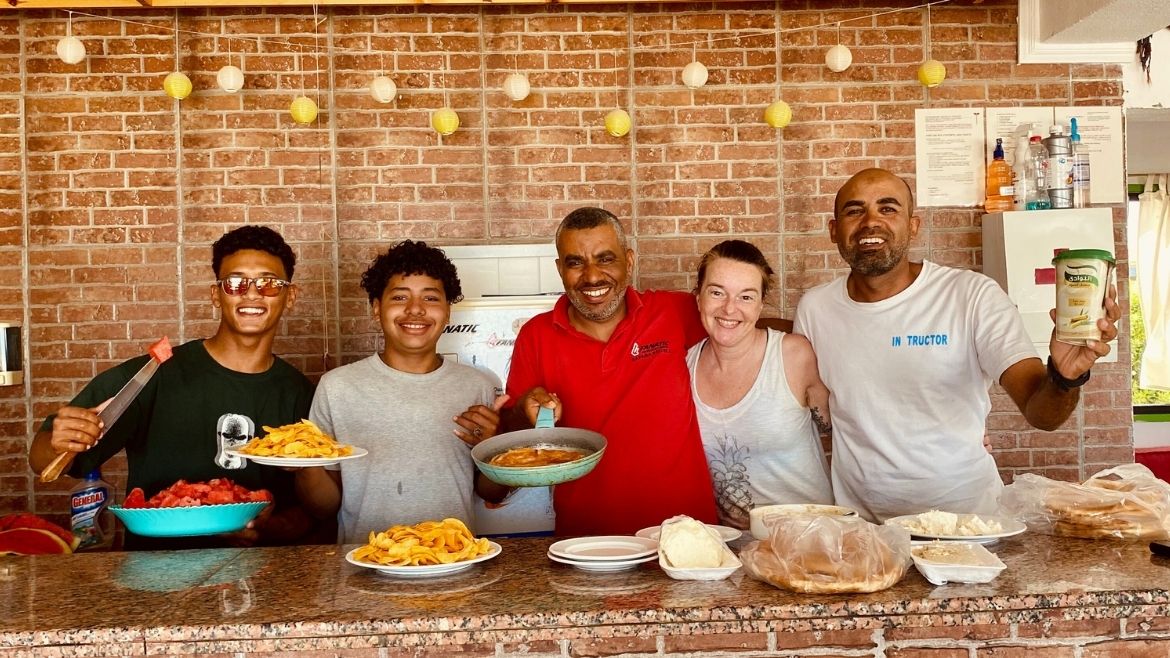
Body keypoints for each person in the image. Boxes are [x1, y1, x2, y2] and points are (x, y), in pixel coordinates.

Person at [793, 167, 1121, 522]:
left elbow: (1041, 414)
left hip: (968, 526)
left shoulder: (971, 295)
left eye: (888, 208)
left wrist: (1063, 376)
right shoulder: (816, 308)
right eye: (854, 211)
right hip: (866, 531)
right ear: (833, 230)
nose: (871, 221)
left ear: (914, 226)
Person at [28, 225, 327, 549]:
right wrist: (59, 442)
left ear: (290, 296)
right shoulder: (156, 374)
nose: (251, 293)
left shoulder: (298, 392)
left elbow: (312, 513)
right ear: (217, 295)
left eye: (269, 284)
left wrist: (267, 528)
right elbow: (43, 462)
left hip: (259, 578)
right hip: (155, 578)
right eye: (235, 282)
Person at [505, 207, 719, 536]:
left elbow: (738, 323)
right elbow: (511, 438)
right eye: (575, 262)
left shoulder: (674, 312)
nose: (591, 277)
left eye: (605, 259)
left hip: (686, 537)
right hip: (587, 542)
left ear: (629, 261)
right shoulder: (536, 336)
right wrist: (525, 409)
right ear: (560, 269)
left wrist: (793, 354)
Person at [303, 240, 510, 543]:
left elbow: (491, 491)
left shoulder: (476, 386)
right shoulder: (337, 387)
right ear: (377, 309)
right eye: (400, 297)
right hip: (364, 566)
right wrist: (302, 466)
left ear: (448, 311)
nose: (415, 310)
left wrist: (495, 451)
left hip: (454, 563)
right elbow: (323, 507)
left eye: (430, 297)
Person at [688, 240, 834, 530]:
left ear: (760, 305)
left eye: (746, 297)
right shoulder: (684, 366)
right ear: (698, 299)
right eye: (717, 293)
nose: (730, 309)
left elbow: (845, 436)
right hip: (732, 547)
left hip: (810, 538)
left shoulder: (793, 355)